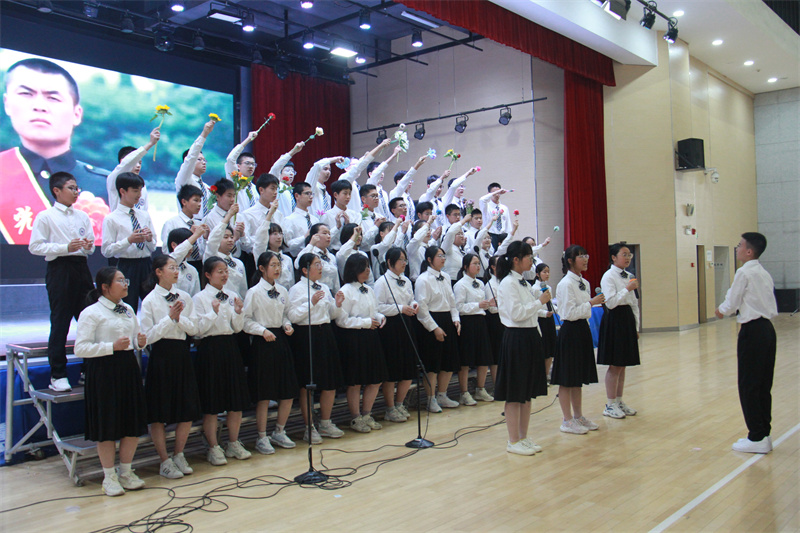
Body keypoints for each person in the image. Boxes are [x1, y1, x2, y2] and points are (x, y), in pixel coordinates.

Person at [1, 58, 108, 245]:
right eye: (26, 94)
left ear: (77, 114)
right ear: (7, 103)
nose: (39, 106)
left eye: (53, 98)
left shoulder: (108, 186)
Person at [74, 267, 147, 496]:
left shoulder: (128, 309)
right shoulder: (91, 312)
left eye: (125, 280)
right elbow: (80, 348)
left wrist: (140, 343)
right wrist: (110, 347)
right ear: (105, 287)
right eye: (120, 281)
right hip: (103, 370)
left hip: (127, 368)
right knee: (107, 425)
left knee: (131, 422)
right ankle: (109, 476)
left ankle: (126, 471)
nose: (125, 284)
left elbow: (134, 339)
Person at [28, 171, 94, 391]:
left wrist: (87, 246)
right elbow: (35, 246)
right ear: (57, 190)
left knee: (89, 319)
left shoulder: (82, 216)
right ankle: (58, 374)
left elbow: (91, 245)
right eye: (71, 188)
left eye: (77, 188)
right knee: (61, 321)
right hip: (60, 268)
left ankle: (88, 369)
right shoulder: (45, 216)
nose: (76, 192)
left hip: (81, 268)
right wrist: (65, 247)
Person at [715, 232, 778, 454]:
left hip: (752, 331)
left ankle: (756, 436)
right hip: (767, 330)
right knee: (762, 384)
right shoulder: (763, 273)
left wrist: (721, 310)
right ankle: (763, 433)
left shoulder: (744, 272)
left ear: (749, 251)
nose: (737, 248)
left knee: (749, 384)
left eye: (740, 245)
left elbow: (732, 301)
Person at [139, 256, 201, 479]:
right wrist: (169, 319)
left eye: (177, 268)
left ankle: (179, 454)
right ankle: (164, 460)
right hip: (161, 356)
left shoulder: (184, 297)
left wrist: (178, 318)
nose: (176, 272)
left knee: (187, 408)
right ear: (159, 272)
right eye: (171, 268)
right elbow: (146, 337)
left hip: (182, 354)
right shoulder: (149, 300)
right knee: (159, 413)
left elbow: (194, 329)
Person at [493, 241, 551, 455]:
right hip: (516, 338)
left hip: (530, 336)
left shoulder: (524, 282)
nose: (531, 261)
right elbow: (517, 314)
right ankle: (513, 440)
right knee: (515, 392)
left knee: (527, 392)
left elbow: (530, 314)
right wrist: (539, 302)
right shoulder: (508, 283)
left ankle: (523, 437)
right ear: (516, 259)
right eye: (528, 257)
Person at [193, 256, 252, 465]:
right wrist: (213, 312)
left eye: (226, 271)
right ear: (208, 275)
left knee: (235, 400)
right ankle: (213, 447)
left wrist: (238, 312)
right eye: (220, 271)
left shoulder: (232, 295)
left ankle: (233, 442)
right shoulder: (199, 298)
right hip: (210, 348)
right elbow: (198, 331)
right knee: (212, 402)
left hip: (230, 346)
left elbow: (237, 327)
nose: (225, 275)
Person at [243, 251, 299, 454]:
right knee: (264, 394)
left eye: (279, 265)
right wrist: (262, 331)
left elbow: (286, 314)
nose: (277, 269)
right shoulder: (254, 292)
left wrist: (287, 324)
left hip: (281, 340)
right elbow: (245, 321)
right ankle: (261, 436)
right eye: (273, 265)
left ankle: (280, 431)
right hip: (262, 343)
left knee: (287, 390)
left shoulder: (282, 290)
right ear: (262, 268)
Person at [287, 253, 346, 443]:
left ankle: (326, 423)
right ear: (305, 269)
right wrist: (310, 303)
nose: (321, 268)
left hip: (325, 332)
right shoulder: (296, 290)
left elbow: (331, 314)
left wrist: (337, 305)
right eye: (317, 264)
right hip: (306, 335)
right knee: (307, 383)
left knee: (329, 381)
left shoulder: (324, 287)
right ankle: (309, 427)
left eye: (321, 264)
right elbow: (293, 316)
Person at [552, 245, 605, 435]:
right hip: (570, 331)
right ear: (570, 260)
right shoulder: (566, 284)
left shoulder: (585, 282)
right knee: (567, 378)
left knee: (578, 378)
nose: (585, 259)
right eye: (581, 256)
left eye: (586, 255)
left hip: (582, 329)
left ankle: (578, 416)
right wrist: (591, 303)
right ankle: (566, 420)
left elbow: (584, 312)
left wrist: (589, 305)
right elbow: (568, 313)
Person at [337, 254, 388, 433]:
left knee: (375, 379)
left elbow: (375, 311)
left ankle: (367, 414)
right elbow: (341, 320)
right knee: (355, 381)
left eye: (368, 266)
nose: (368, 270)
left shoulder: (369, 289)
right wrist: (365, 322)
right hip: (354, 338)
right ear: (354, 269)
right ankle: (355, 417)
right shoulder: (346, 290)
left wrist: (380, 317)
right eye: (364, 267)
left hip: (371, 337)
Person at [414, 246, 461, 412]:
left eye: (443, 255)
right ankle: (430, 398)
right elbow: (422, 308)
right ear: (429, 259)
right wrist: (434, 328)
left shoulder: (446, 277)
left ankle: (442, 395)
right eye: (439, 256)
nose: (443, 258)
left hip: (447, 319)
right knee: (432, 364)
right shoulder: (423, 280)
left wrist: (456, 319)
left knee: (448, 362)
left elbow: (452, 302)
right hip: (431, 322)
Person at [597, 243, 640, 419]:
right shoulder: (608, 276)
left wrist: (636, 326)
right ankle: (610, 404)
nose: (628, 258)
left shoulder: (629, 276)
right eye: (624, 254)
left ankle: (619, 401)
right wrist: (626, 289)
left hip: (627, 318)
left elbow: (634, 303)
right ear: (614, 257)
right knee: (615, 364)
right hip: (614, 319)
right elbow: (611, 303)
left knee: (623, 364)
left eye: (629, 254)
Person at [375, 247, 418, 423]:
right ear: (390, 262)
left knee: (408, 368)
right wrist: (400, 308)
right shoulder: (382, 282)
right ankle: (390, 407)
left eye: (405, 259)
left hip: (407, 324)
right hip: (390, 328)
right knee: (392, 370)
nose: (404, 263)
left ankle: (400, 404)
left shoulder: (406, 280)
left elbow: (411, 299)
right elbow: (378, 307)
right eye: (400, 260)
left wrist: (413, 304)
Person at [101, 172, 156, 310]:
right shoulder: (112, 219)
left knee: (153, 305)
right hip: (126, 265)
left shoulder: (144, 215)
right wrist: (129, 240)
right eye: (135, 191)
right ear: (122, 191)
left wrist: (149, 239)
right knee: (127, 305)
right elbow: (106, 251)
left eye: (140, 191)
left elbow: (153, 247)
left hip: (146, 264)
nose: (139, 195)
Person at [453, 253, 495, 405]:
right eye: (474, 263)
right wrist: (478, 305)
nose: (478, 266)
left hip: (481, 321)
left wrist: (488, 304)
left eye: (478, 263)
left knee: (484, 358)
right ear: (466, 266)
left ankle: (480, 389)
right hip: (467, 322)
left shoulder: (481, 283)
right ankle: (464, 393)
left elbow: (482, 305)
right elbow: (458, 307)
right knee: (466, 360)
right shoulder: (460, 285)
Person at [106, 127, 160, 212]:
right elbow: (129, 161)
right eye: (135, 162)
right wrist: (150, 144)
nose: (138, 166)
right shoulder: (114, 179)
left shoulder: (142, 186)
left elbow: (144, 211)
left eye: (140, 163)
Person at [175, 119, 217, 219]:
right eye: (199, 159)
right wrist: (204, 134)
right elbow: (191, 157)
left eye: (204, 160)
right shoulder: (185, 180)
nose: (203, 162)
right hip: (189, 224)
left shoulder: (206, 188)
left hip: (207, 226)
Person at [204, 204, 247, 298]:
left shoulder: (238, 263)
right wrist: (229, 215)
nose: (230, 240)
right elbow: (212, 241)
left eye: (232, 237)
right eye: (225, 237)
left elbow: (243, 290)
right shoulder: (213, 257)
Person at [161, 184, 206, 269]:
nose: (199, 204)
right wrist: (191, 235)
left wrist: (206, 237)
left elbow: (203, 250)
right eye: (195, 200)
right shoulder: (172, 223)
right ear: (184, 202)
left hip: (200, 264)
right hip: (180, 265)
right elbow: (166, 250)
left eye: (200, 201)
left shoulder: (199, 223)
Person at [294, 223, 339, 294]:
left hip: (329, 293)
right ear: (314, 236)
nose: (328, 236)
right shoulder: (310, 252)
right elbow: (297, 264)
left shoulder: (331, 256)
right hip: (313, 292)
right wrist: (311, 244)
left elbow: (335, 280)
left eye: (329, 234)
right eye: (324, 233)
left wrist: (337, 293)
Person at [224, 130, 260, 209]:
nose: (251, 166)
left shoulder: (254, 188)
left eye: (253, 164)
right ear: (238, 166)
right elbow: (230, 159)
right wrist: (248, 139)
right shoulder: (235, 180)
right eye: (247, 163)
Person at [534, 263, 558, 382]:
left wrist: (556, 310)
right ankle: (540, 375)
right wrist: (544, 313)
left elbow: (551, 304)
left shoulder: (549, 288)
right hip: (540, 320)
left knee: (550, 348)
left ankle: (547, 373)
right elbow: (534, 307)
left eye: (548, 271)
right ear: (537, 274)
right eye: (544, 272)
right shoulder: (534, 289)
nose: (547, 274)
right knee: (543, 348)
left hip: (549, 319)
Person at [165, 226, 204, 296]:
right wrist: (196, 235)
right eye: (189, 244)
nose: (191, 248)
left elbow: (196, 295)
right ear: (173, 245)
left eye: (192, 244)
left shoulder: (192, 270)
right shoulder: (165, 264)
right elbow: (177, 254)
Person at [282, 182, 318, 256]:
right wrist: (304, 237)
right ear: (297, 196)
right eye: (307, 193)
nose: (311, 197)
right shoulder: (289, 220)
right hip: (298, 257)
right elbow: (287, 246)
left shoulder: (315, 220)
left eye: (311, 194)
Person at [479, 183, 512, 249]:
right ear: (488, 193)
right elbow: (482, 200)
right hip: (491, 235)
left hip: (503, 235)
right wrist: (496, 192)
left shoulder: (504, 208)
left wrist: (509, 237)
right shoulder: (486, 206)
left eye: (498, 192)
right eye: (494, 192)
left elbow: (508, 224)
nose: (497, 194)